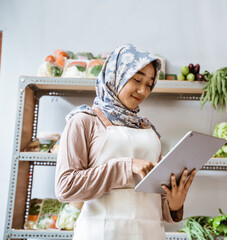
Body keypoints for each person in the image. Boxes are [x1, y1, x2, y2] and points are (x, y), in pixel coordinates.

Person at [55, 44, 196, 240]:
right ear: (116, 75)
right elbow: (66, 186)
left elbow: (159, 203)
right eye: (137, 79)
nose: (142, 90)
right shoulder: (84, 121)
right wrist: (127, 166)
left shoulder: (149, 130)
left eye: (149, 84)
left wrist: (174, 203)